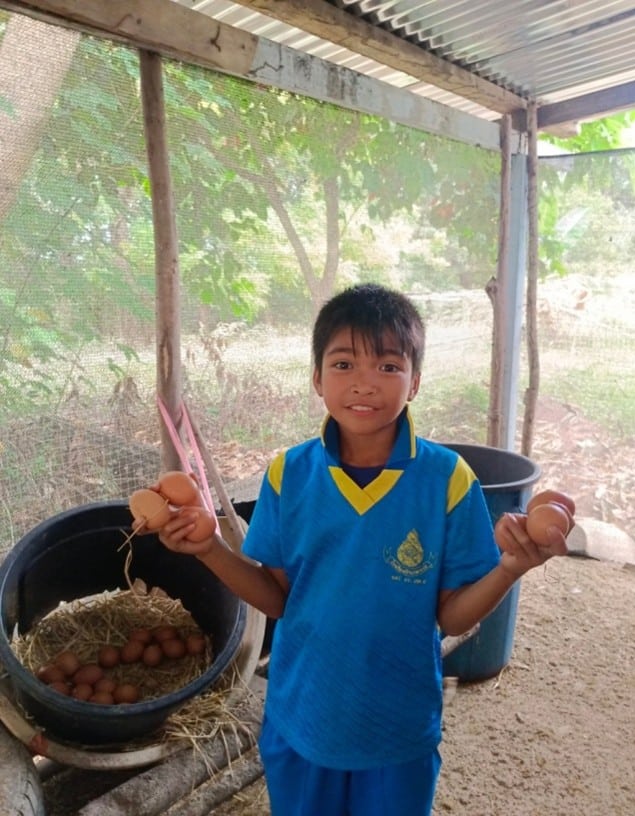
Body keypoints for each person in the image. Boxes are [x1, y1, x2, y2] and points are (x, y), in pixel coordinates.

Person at [153, 283, 575, 816]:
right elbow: (278, 599)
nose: (365, 383)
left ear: (415, 382)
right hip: (303, 718)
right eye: (345, 363)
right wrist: (209, 548)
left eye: (389, 367)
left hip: (397, 729)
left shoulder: (448, 480)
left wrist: (511, 568)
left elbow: (450, 615)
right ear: (317, 378)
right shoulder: (290, 474)